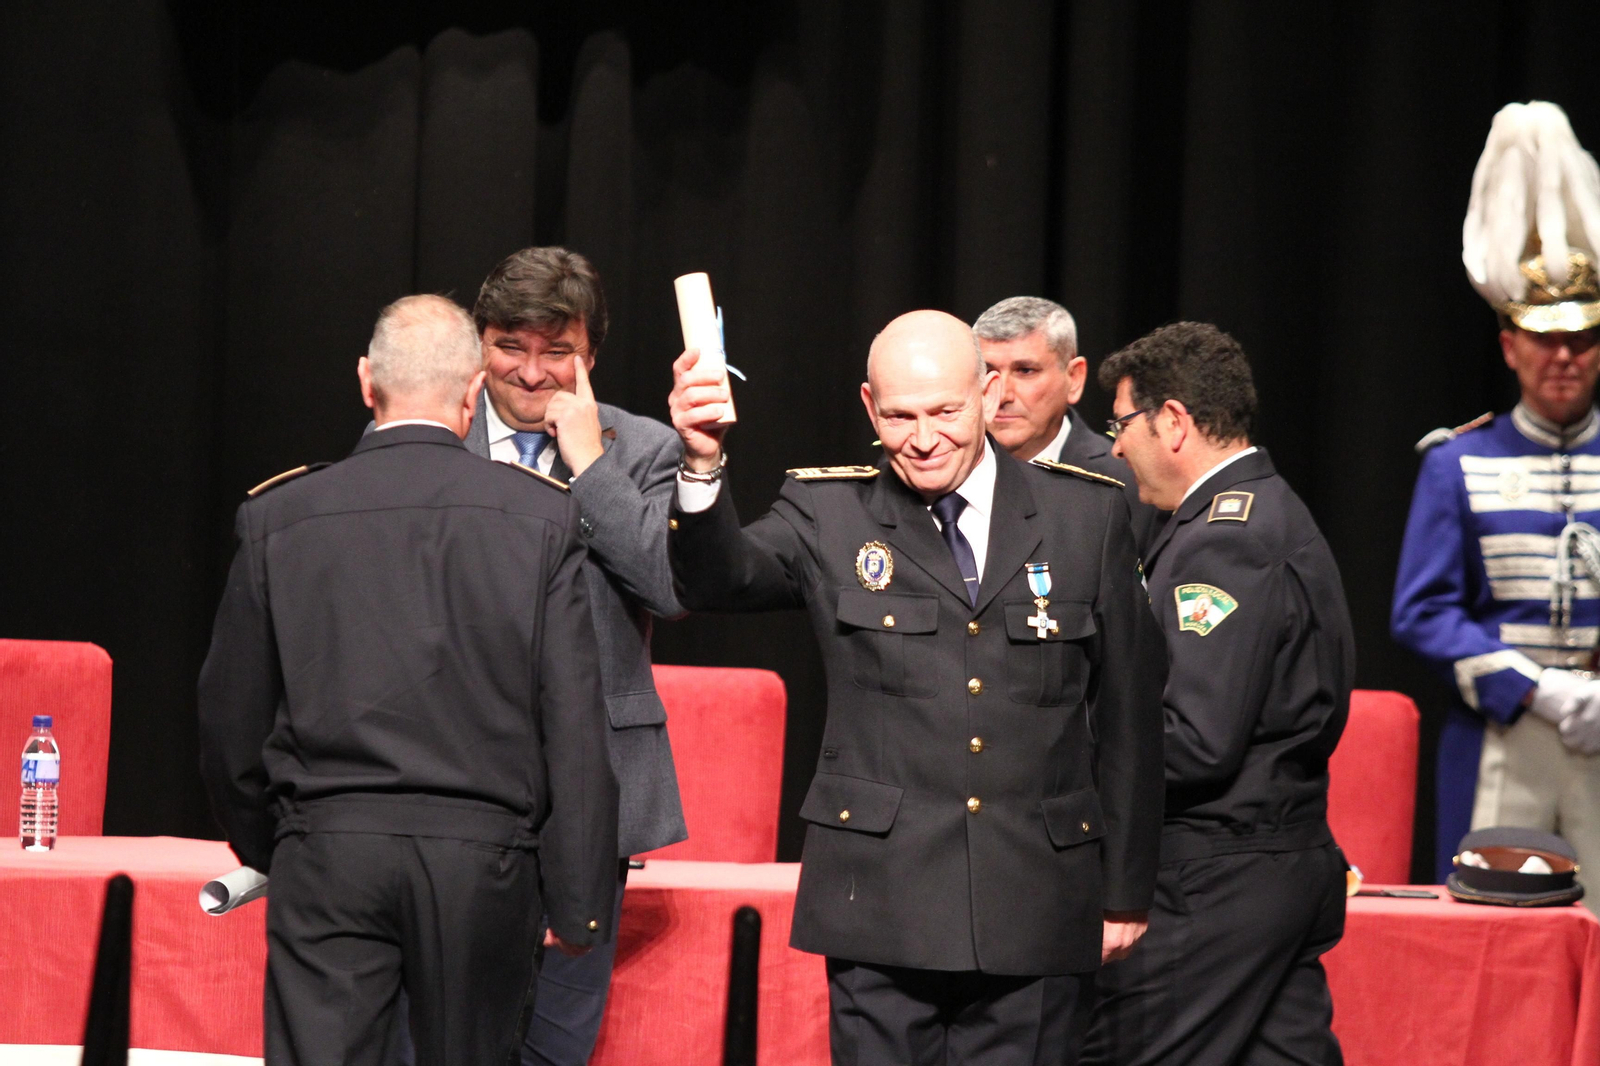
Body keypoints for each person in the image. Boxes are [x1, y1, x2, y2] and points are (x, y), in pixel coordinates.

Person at [667, 309, 1167, 1066]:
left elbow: (1129, 712)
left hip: (1037, 901)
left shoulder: (1086, 514)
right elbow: (717, 580)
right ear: (869, 406)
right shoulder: (827, 512)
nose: (923, 437)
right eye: (899, 416)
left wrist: (1126, 890)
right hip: (880, 905)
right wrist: (702, 464)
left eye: (945, 412)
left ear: (988, 392)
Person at [197, 295, 619, 1066]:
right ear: (471, 393)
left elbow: (230, 724)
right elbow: (576, 728)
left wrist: (278, 845)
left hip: (327, 854)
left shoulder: (279, 518)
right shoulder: (540, 519)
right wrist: (578, 899)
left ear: (366, 382)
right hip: (483, 868)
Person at [1085, 322, 1353, 1066]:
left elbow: (1194, 739)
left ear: (1172, 421)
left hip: (1213, 879)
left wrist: (1066, 761)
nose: (1113, 447)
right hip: (1273, 865)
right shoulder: (1260, 511)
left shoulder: (1224, 539)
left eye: (1121, 423)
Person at [460, 246, 690, 1064]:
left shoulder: (644, 449)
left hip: (591, 791)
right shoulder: (431, 436)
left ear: (589, 355)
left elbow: (667, 585)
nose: (530, 373)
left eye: (556, 350)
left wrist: (589, 461)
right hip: (451, 780)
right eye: (508, 346)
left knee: (555, 1040)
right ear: (477, 344)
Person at [1393, 100, 1600, 901]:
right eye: (1545, 338)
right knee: (1495, 926)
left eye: (1581, 337)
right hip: (1501, 731)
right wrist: (1532, 684)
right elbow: (1420, 611)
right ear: (1511, 344)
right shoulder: (1459, 462)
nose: (1563, 356)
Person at [974, 296, 1162, 552]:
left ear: (1074, 378)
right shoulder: (942, 470)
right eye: (988, 372)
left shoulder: (1128, 481)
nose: (1003, 394)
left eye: (1025, 371)